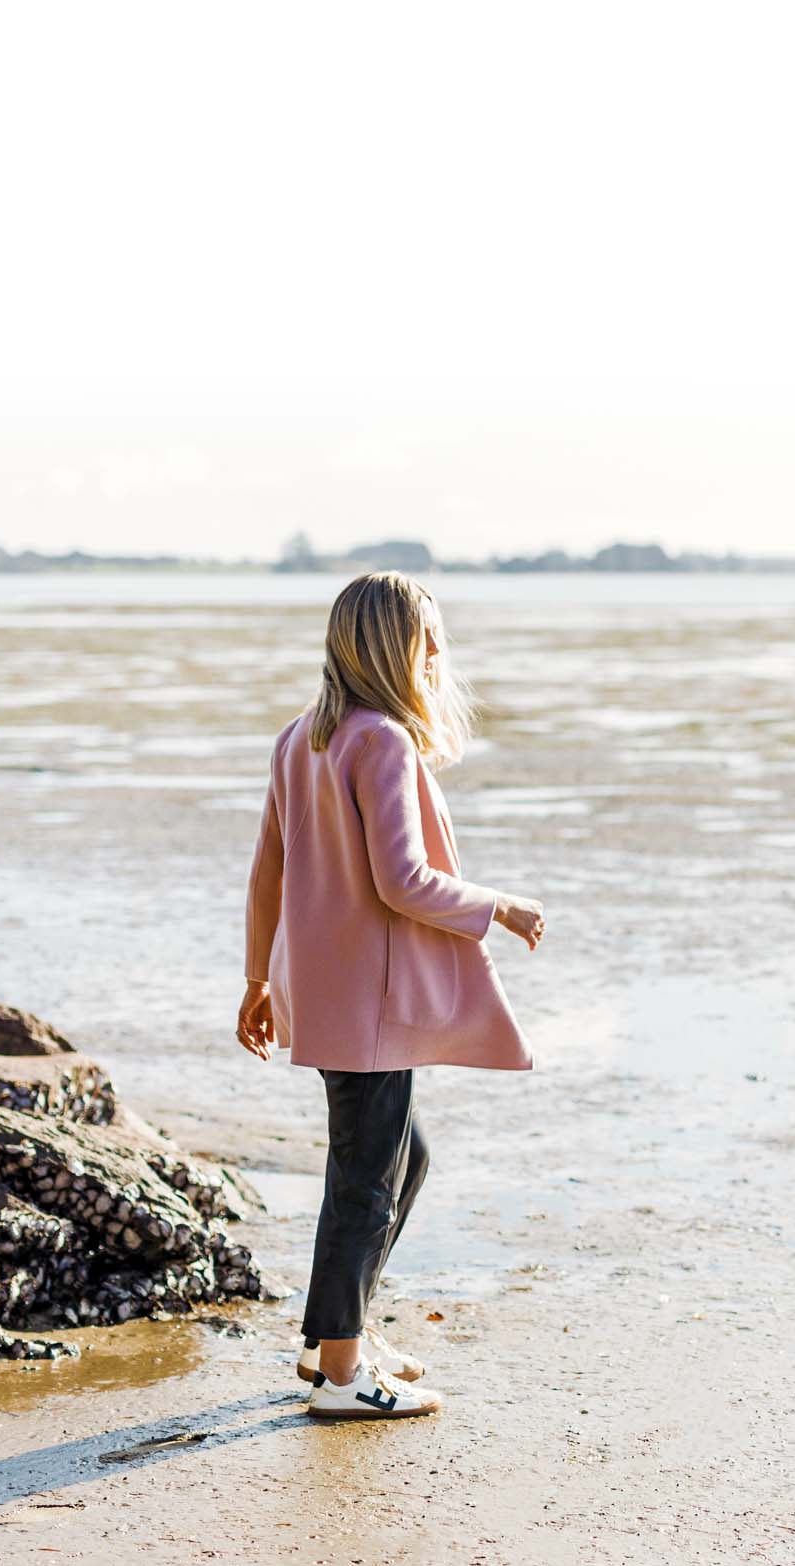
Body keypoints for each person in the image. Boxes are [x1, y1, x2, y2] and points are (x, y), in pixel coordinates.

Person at [236, 572, 545, 1420]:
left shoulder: (302, 737)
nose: (441, 655)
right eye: (430, 639)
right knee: (367, 1180)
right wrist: (498, 906)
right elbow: (403, 881)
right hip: (368, 1003)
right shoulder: (380, 743)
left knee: (400, 1162)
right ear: (394, 649)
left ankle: (335, 1338)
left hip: (328, 992)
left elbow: (267, 870)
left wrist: (259, 977)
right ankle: (341, 1377)